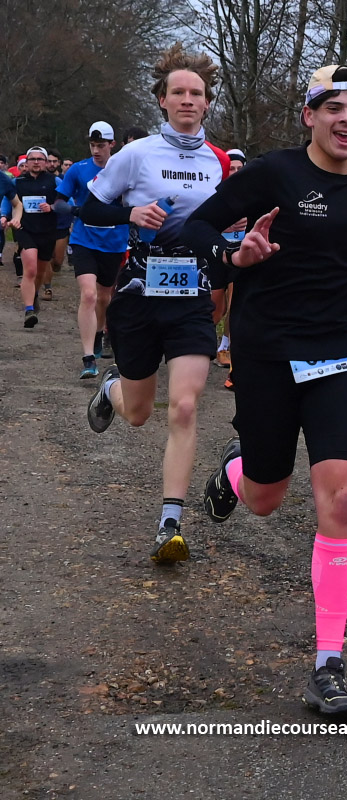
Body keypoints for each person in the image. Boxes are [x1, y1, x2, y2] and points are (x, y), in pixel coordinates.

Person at [181, 64, 347, 717]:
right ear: (309, 116)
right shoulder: (272, 173)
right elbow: (195, 229)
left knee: (341, 497)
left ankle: (328, 665)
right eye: (333, 108)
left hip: (338, 350)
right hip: (266, 351)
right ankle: (234, 473)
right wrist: (234, 258)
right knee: (266, 498)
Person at [81, 43, 230, 564]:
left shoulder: (219, 161)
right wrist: (131, 215)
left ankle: (171, 523)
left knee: (185, 406)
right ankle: (112, 388)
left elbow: (220, 226)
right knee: (141, 413)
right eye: (178, 92)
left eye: (197, 93)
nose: (188, 100)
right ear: (162, 100)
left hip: (192, 296)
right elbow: (89, 210)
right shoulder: (136, 154)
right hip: (139, 295)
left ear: (207, 103)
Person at [56, 122, 129, 378]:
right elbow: (58, 202)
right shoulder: (78, 169)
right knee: (88, 294)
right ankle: (88, 358)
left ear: (112, 145)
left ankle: (100, 333)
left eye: (101, 145)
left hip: (114, 242)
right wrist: (77, 210)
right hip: (84, 239)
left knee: (104, 297)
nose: (96, 150)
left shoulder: (124, 170)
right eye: (92, 145)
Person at [10, 146, 58, 328]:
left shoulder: (55, 181)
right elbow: (8, 201)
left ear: (45, 162)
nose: (36, 162)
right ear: (26, 162)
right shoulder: (17, 182)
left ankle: (34, 295)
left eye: (40, 159)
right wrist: (5, 217)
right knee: (29, 269)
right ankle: (29, 310)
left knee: (39, 272)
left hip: (47, 231)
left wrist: (52, 207)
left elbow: (67, 202)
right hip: (25, 229)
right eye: (32, 159)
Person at [215, 148, 248, 375]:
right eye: (231, 168)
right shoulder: (215, 192)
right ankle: (204, 339)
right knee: (217, 307)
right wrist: (223, 226)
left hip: (240, 256)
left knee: (236, 301)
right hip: (217, 254)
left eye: (239, 168)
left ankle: (226, 346)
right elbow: (201, 223)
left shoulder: (252, 192)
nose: (235, 172)